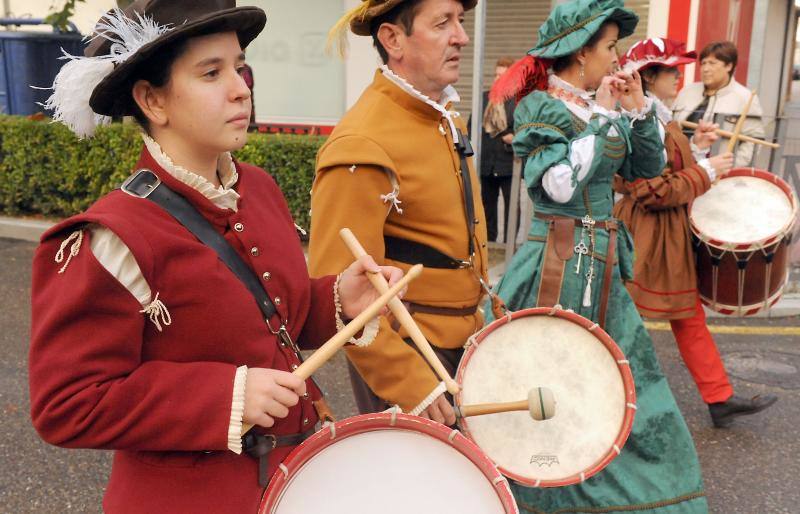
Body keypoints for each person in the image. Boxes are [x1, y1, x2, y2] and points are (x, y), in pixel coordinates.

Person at [29, 2, 404, 512]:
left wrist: (338, 298)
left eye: (239, 66)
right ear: (152, 101)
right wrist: (227, 396)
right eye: (211, 73)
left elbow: (270, 324)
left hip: (296, 487)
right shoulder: (113, 236)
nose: (241, 88)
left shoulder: (260, 189)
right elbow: (68, 404)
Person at [488, 1, 707, 511]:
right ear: (580, 52)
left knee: (620, 377)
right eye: (610, 47)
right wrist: (607, 118)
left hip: (602, 261)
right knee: (551, 377)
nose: (617, 57)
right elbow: (558, 185)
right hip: (557, 262)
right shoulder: (541, 107)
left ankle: (632, 490)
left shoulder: (597, 105)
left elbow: (646, 167)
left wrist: (638, 111)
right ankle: (545, 488)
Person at [308, 0, 487, 424]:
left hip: (462, 347)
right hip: (413, 356)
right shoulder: (363, 141)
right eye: (442, 23)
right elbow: (338, 295)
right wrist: (409, 382)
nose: (461, 37)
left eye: (460, 21)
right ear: (393, 39)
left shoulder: (442, 117)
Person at [615, 37, 778, 429]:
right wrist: (704, 171)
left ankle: (718, 397)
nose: (679, 77)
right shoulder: (636, 121)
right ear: (648, 78)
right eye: (671, 71)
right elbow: (650, 190)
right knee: (624, 321)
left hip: (667, 232)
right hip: (644, 234)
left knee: (687, 315)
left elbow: (671, 168)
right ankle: (614, 401)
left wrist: (698, 149)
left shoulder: (658, 115)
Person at [673, 40, 765, 167]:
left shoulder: (746, 98)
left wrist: (730, 166)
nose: (705, 69)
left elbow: (754, 141)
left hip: (717, 170)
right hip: (679, 165)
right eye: (703, 63)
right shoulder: (687, 92)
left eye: (712, 63)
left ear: (729, 66)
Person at [469, 57, 519, 242]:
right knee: (486, 207)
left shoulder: (519, 101)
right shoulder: (484, 99)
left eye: (502, 76)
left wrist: (514, 137)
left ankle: (509, 245)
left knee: (512, 208)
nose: (498, 79)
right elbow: (471, 127)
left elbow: (527, 129)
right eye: (496, 75)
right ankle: (489, 245)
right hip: (487, 163)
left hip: (509, 163)